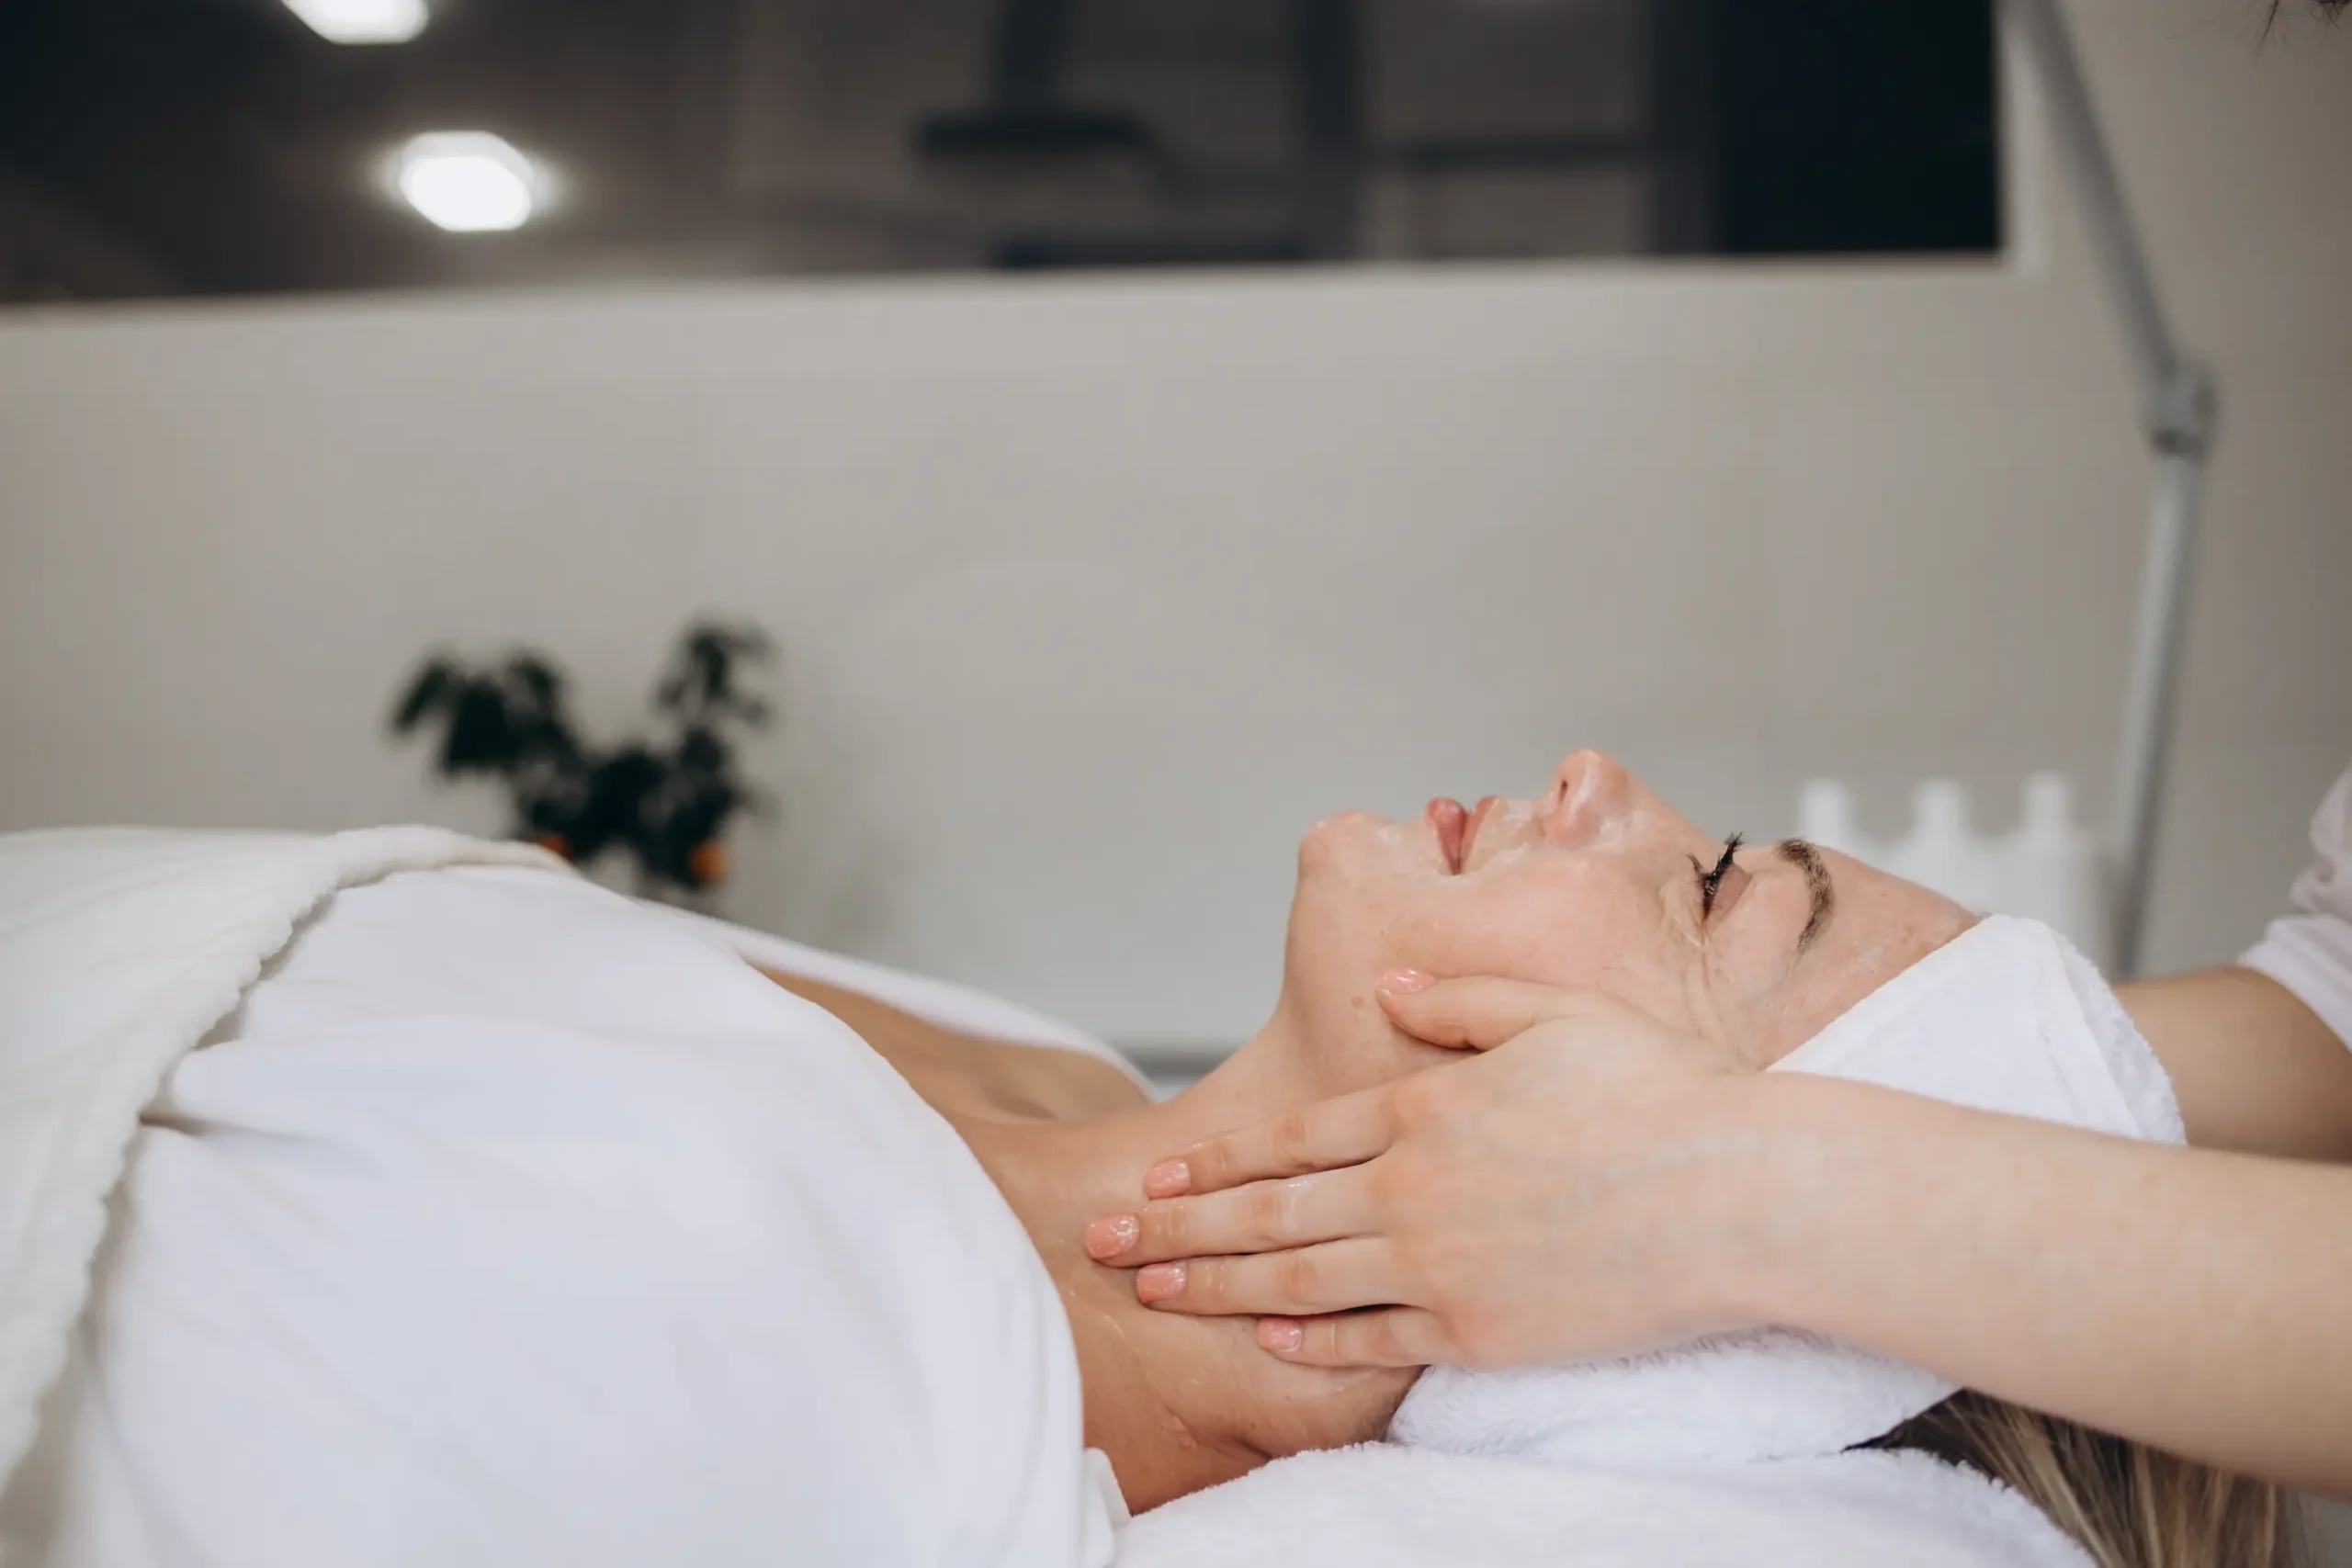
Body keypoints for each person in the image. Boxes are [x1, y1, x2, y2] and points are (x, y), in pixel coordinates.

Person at [1081, 750, 2352, 1523]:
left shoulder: (978, 1392)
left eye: (1714, 885)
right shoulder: (1044, 1073)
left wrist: (1722, 1181)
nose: (1587, 769)